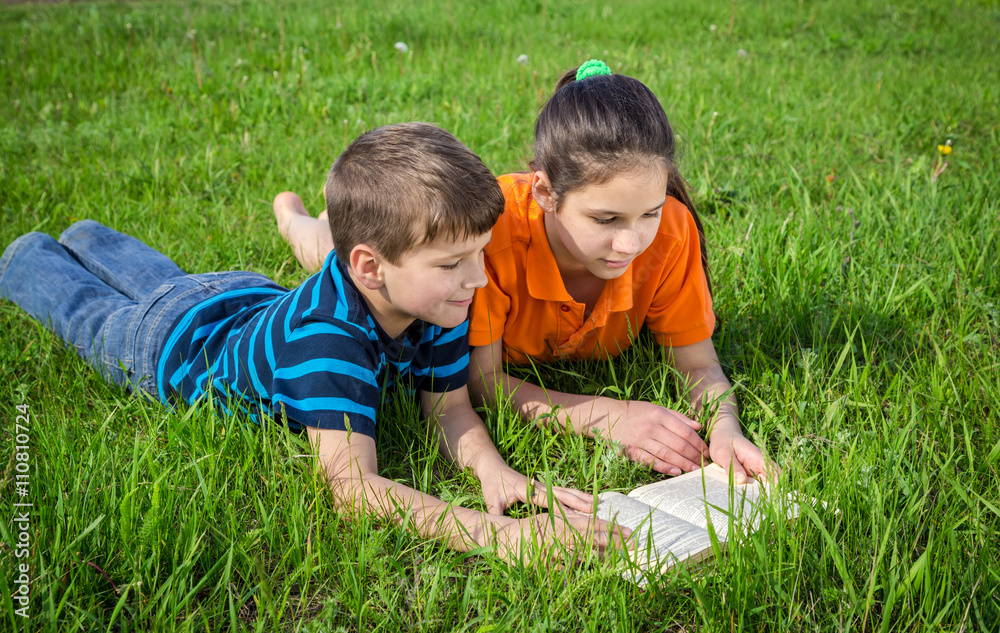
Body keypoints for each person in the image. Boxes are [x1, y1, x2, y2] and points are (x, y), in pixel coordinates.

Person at [0, 123, 624, 562]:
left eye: (480, 255)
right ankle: (25, 254)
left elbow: (451, 406)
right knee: (85, 310)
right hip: (169, 347)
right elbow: (354, 490)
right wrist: (500, 538)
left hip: (237, 295)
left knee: (167, 280)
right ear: (370, 267)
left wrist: (496, 473)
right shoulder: (330, 341)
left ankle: (86, 235)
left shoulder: (439, 295)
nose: (478, 277)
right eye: (454, 262)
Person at [273, 62, 773, 485]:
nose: (632, 243)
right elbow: (483, 382)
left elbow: (699, 365)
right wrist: (604, 416)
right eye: (605, 220)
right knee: (337, 256)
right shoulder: (487, 242)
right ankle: (296, 220)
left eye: (649, 212)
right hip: (396, 265)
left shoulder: (670, 234)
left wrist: (726, 426)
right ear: (544, 193)